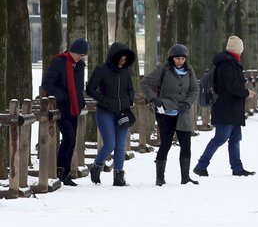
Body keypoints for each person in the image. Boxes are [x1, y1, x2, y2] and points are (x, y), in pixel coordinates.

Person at [193, 35, 256, 177]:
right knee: (221, 138)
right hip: (226, 108)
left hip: (231, 108)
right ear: (238, 49)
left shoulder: (229, 63)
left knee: (235, 138)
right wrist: (246, 92)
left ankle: (237, 168)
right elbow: (232, 86)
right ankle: (201, 165)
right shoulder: (228, 65)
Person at [141, 43, 200, 186]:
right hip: (165, 112)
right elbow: (145, 83)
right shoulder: (163, 69)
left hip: (183, 113)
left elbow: (194, 89)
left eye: (182, 59)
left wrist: (187, 103)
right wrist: (154, 99)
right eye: (177, 58)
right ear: (172, 58)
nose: (180, 61)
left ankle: (185, 177)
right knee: (165, 144)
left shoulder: (189, 70)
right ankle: (160, 177)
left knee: (186, 145)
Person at [85, 42, 137, 186]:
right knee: (110, 144)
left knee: (121, 145)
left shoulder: (126, 72)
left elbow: (131, 89)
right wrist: (105, 100)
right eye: (120, 59)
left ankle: (119, 176)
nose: (122, 62)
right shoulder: (101, 70)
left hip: (123, 113)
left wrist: (130, 99)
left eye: (125, 59)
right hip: (105, 111)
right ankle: (96, 166)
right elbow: (90, 89)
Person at [41, 38, 89, 187]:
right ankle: (61, 171)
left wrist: (80, 102)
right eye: (79, 54)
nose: (80, 57)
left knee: (72, 140)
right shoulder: (59, 62)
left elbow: (79, 88)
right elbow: (47, 84)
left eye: (82, 56)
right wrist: (63, 97)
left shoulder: (80, 66)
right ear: (72, 51)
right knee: (68, 137)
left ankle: (65, 172)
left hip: (73, 108)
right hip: (60, 107)